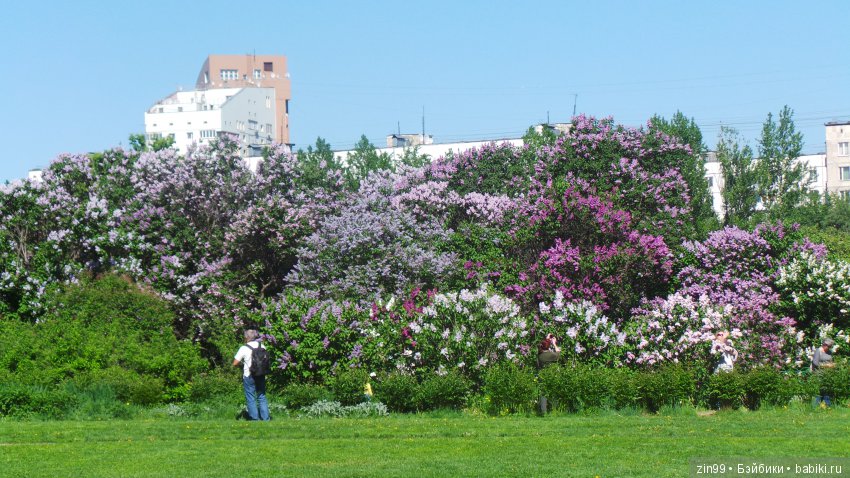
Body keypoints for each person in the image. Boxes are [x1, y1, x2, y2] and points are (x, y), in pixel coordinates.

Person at [232, 329, 270, 421]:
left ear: (246, 337)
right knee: (261, 396)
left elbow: (235, 363)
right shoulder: (262, 346)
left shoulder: (244, 348)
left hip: (249, 375)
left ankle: (254, 418)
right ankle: (266, 418)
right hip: (261, 374)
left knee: (251, 397)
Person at [537, 333, 561, 414]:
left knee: (543, 393)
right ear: (548, 346)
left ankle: (543, 411)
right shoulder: (550, 355)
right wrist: (554, 343)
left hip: (542, 375)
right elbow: (558, 353)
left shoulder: (540, 355)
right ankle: (554, 409)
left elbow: (543, 345)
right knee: (553, 392)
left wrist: (547, 339)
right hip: (550, 375)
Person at [812, 338, 835, 407]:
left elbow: (831, 360)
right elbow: (815, 363)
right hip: (819, 373)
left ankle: (827, 405)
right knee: (820, 389)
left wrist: (833, 364)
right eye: (828, 346)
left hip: (827, 374)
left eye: (830, 346)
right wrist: (826, 366)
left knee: (827, 389)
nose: (828, 347)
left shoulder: (829, 352)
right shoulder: (818, 351)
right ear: (824, 344)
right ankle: (816, 405)